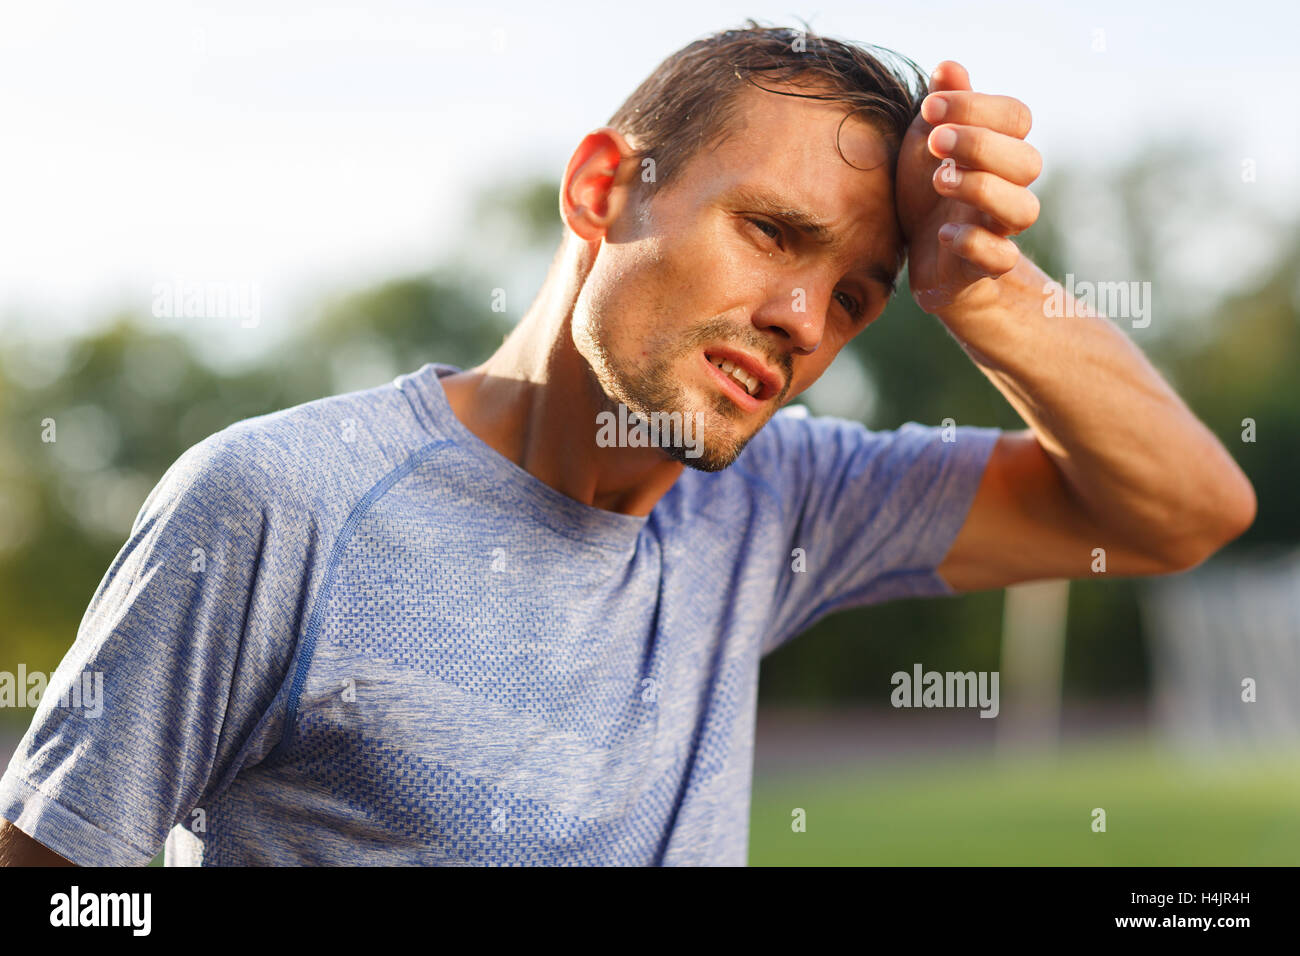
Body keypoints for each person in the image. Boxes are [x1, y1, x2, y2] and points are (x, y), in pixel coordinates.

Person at [0, 22, 1254, 866]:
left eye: (857, 296)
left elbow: (1181, 510)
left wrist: (979, 288)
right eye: (771, 231)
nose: (803, 319)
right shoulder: (281, 498)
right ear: (602, 187)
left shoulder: (784, 503)